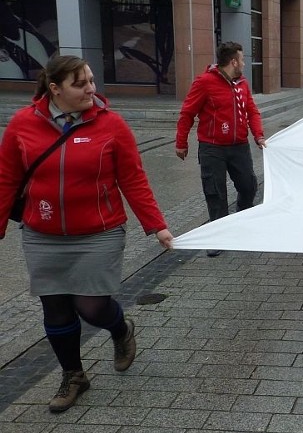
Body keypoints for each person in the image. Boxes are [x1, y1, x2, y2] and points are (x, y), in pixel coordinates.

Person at [0, 55, 174, 413]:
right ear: (55, 89)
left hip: (100, 232)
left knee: (91, 307)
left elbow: (133, 179)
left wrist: (157, 225)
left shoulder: (112, 126)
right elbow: (7, 179)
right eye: (80, 84)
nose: (91, 89)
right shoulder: (22, 125)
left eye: (92, 81)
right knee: (56, 307)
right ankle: (74, 375)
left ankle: (121, 329)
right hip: (42, 232)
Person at [175, 42, 266, 257]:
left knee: (249, 185)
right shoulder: (204, 82)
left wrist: (259, 135)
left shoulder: (242, 84)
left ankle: (240, 220)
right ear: (233, 61)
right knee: (215, 193)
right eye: (242, 59)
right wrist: (181, 142)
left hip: (239, 146)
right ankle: (218, 236)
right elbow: (187, 113)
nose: (244, 63)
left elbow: (252, 111)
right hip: (212, 148)